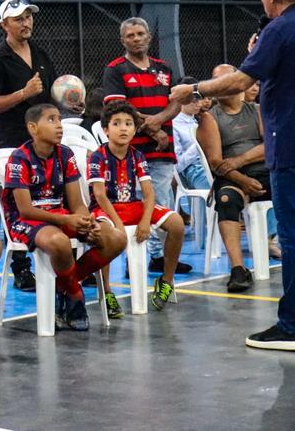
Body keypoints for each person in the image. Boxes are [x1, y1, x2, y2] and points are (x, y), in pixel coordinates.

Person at [170, 0, 295, 351]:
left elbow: (244, 78)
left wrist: (192, 91)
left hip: (293, 144)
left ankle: (293, 325)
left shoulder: (281, 30)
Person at [1, 103, 124, 329]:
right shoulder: (19, 157)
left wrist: (86, 221)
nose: (59, 125)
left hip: (58, 215)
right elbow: (25, 209)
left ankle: (62, 287)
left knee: (115, 238)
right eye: (51, 120)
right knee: (59, 243)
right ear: (32, 128)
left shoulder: (65, 154)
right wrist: (67, 220)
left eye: (59, 119)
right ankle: (75, 295)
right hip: (25, 221)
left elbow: (77, 203)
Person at [101, 16, 189, 275]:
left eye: (141, 33)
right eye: (131, 35)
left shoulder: (164, 68)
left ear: (149, 37)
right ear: (122, 40)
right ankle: (133, 259)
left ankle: (159, 257)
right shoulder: (115, 69)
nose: (136, 38)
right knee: (130, 205)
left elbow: (176, 100)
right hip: (128, 153)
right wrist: (154, 129)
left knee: (161, 203)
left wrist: (159, 122)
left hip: (162, 149)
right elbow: (118, 106)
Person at [0, 0, 56, 293]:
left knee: (51, 194)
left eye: (28, 17)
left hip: (45, 138)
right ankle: (21, 267)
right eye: (18, 19)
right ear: (5, 25)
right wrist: (23, 94)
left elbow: (49, 91)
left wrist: (67, 104)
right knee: (17, 202)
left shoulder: (40, 52)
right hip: (15, 141)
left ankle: (62, 257)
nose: (26, 23)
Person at [87, 101, 185, 310]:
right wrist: (118, 225)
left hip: (132, 205)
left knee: (176, 223)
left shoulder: (137, 155)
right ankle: (106, 292)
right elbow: (100, 195)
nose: (123, 128)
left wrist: (144, 221)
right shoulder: (97, 156)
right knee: (105, 235)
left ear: (134, 129)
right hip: (105, 209)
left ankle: (166, 281)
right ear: (106, 130)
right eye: (117, 123)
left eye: (129, 123)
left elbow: (149, 195)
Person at [195, 65, 268, 293]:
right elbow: (216, 162)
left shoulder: (256, 110)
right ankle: (238, 269)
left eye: (228, 78)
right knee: (227, 199)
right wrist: (243, 180)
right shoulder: (209, 118)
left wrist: (240, 160)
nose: (223, 83)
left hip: (263, 171)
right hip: (231, 177)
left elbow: (272, 146)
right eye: (217, 80)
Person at [170, 77, 211, 192]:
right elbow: (177, 166)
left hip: (210, 164)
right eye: (194, 100)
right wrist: (199, 145)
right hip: (194, 170)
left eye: (200, 99)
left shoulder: (201, 119)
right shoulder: (174, 124)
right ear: (182, 99)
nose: (198, 104)